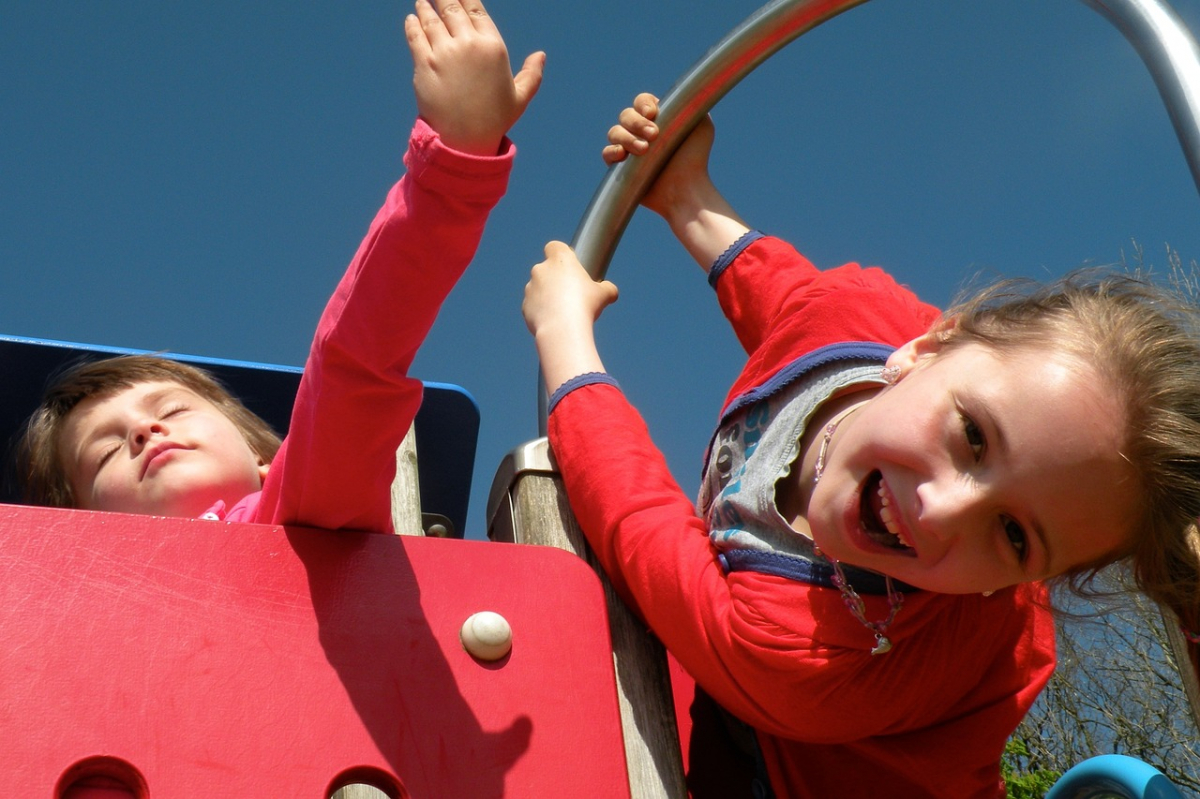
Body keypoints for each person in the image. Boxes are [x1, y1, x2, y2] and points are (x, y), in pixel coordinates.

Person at [522, 93, 1200, 798]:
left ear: (1022, 575)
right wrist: (687, 194)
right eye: (972, 436)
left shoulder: (804, 651)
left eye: (1012, 535)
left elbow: (638, 521)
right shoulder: (862, 315)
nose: (941, 511)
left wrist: (566, 342)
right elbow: (789, 302)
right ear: (928, 346)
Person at [18, 0, 544, 531]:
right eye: (104, 453)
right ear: (81, 521)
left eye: (173, 411)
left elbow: (355, 363)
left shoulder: (299, 517)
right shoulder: (71, 603)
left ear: (262, 457)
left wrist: (455, 162)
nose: (144, 432)